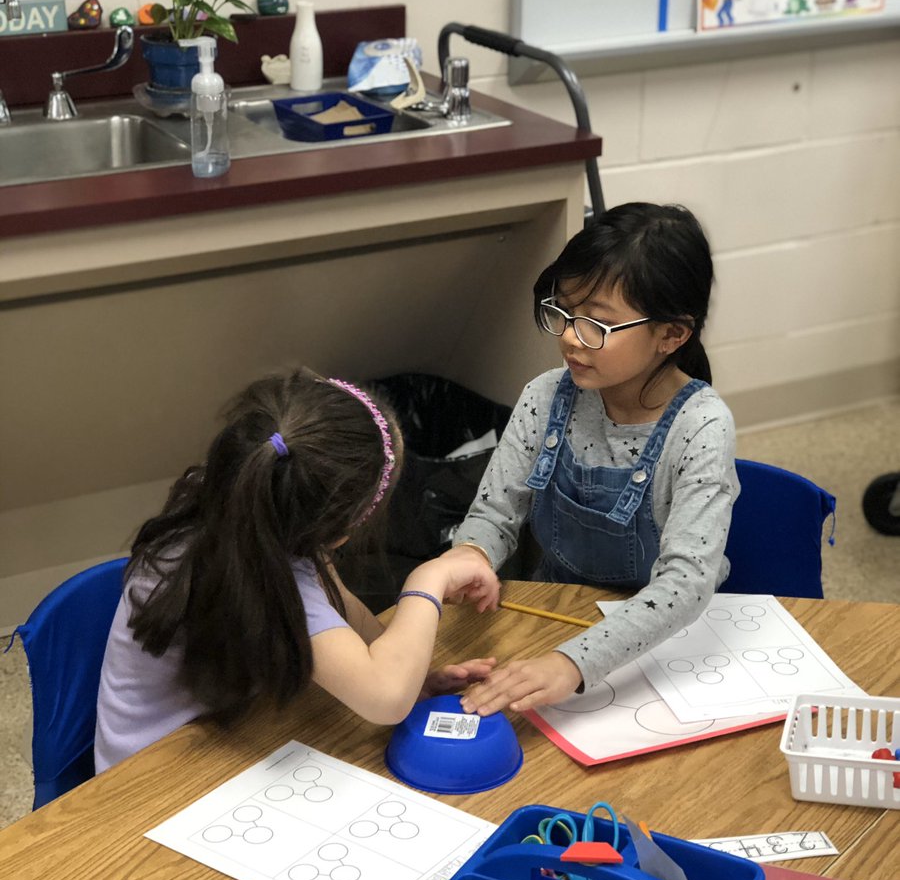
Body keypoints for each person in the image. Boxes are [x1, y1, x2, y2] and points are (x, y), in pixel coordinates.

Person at [95, 369, 499, 772]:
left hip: (215, 740)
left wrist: (411, 674)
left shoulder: (245, 506)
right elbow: (386, 700)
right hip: (149, 783)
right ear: (341, 529)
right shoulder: (270, 572)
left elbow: (339, 605)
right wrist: (429, 579)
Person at [454, 202, 738, 717]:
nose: (568, 336)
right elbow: (495, 514)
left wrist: (572, 664)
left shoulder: (701, 426)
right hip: (552, 614)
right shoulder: (546, 396)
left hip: (655, 641)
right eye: (562, 312)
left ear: (671, 335)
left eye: (596, 324)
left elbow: (687, 582)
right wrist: (471, 555)